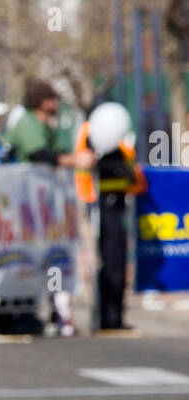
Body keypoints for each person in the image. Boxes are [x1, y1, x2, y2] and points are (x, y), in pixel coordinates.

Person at [8, 80, 97, 335]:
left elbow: (56, 152)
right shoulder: (27, 122)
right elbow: (39, 156)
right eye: (52, 99)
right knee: (28, 258)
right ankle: (24, 312)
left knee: (53, 258)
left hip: (47, 206)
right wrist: (74, 161)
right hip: (26, 204)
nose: (56, 104)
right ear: (42, 100)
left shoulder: (49, 126)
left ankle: (56, 313)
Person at [74, 110, 147, 332]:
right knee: (107, 264)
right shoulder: (91, 145)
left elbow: (135, 179)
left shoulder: (122, 149)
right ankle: (106, 316)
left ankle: (114, 315)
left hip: (116, 209)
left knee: (117, 264)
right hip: (100, 210)